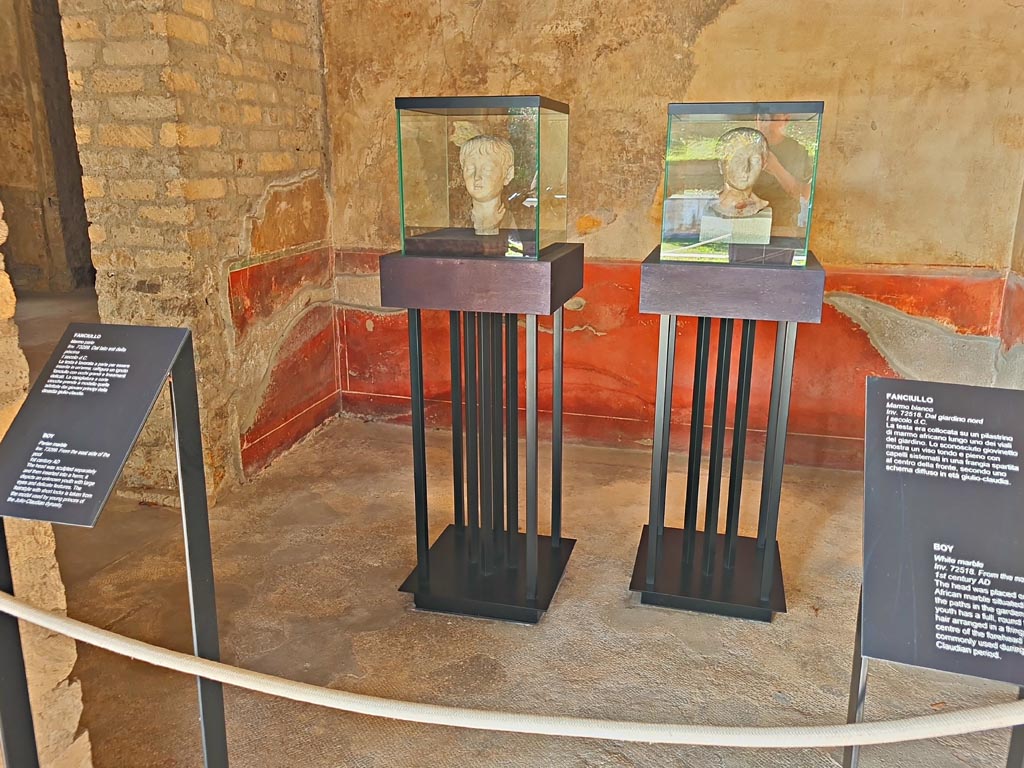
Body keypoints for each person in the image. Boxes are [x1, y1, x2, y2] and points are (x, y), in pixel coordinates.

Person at [753, 114, 813, 229]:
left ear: (786, 119)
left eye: (772, 116)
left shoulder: (797, 152)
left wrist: (775, 167)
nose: (766, 122)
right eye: (762, 117)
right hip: (748, 227)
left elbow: (804, 194)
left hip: (783, 227)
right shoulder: (746, 151)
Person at [459, 135, 515, 235]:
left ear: (508, 174)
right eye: (470, 169)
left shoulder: (517, 219)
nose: (477, 176)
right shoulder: (457, 220)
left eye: (487, 169)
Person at [709, 127, 770, 218]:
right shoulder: (708, 204)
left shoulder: (762, 207)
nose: (745, 169)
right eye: (737, 160)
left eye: (754, 160)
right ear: (721, 165)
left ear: (763, 165)